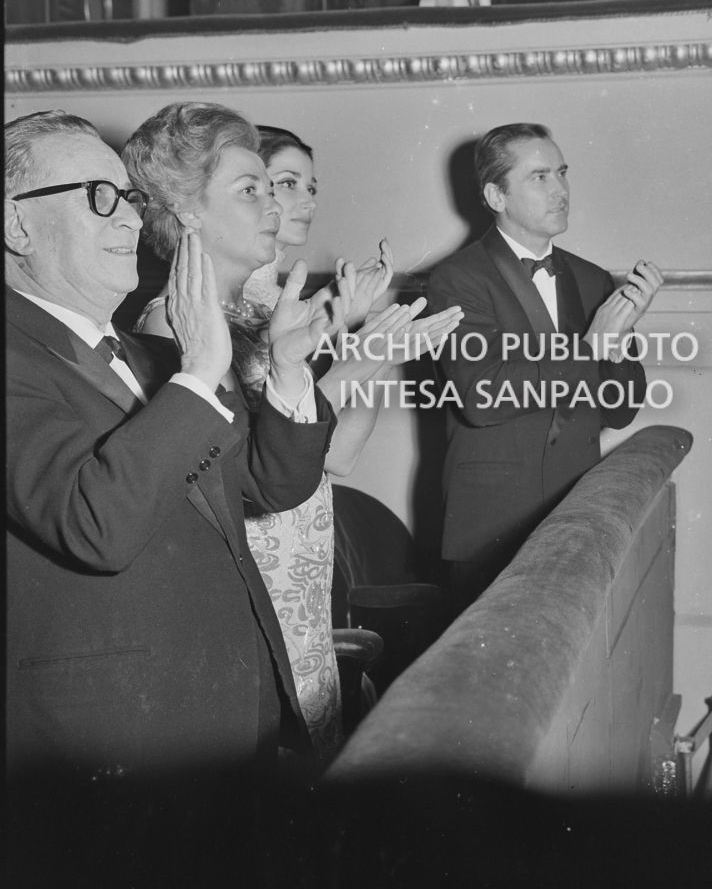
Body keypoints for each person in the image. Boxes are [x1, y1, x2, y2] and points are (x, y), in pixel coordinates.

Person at [4, 109, 339, 785]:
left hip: (228, 715)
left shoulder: (150, 354)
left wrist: (289, 369)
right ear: (15, 225)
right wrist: (201, 371)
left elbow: (270, 485)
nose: (129, 218)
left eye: (127, 197)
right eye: (98, 198)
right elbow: (93, 522)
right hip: (109, 744)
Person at [124, 104, 462, 759]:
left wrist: (370, 350)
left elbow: (324, 451)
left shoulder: (252, 316)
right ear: (187, 211)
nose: (282, 206)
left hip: (295, 575)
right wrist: (359, 356)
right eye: (258, 189)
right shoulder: (171, 327)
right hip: (244, 590)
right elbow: (245, 478)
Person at [427, 123, 664, 609]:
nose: (560, 190)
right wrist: (590, 348)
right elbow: (484, 398)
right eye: (539, 177)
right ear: (496, 195)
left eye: (561, 172)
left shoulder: (591, 277)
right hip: (492, 522)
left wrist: (615, 350)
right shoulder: (457, 279)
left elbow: (620, 412)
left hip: (575, 507)